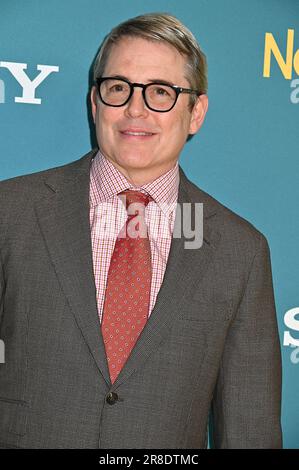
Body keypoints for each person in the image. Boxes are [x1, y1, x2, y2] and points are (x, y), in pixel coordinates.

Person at [0, 13, 282, 449]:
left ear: (196, 113)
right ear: (95, 103)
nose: (136, 108)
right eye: (119, 88)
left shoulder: (238, 251)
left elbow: (251, 430)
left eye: (161, 92)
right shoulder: (11, 213)